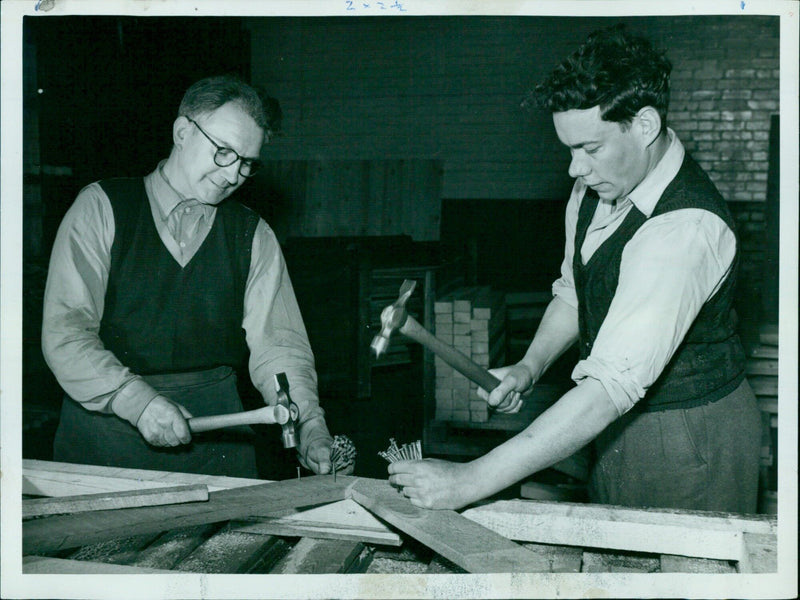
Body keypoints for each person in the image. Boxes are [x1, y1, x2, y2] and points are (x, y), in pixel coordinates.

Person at [388, 24, 761, 513]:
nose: (574, 169)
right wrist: (530, 364)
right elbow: (575, 290)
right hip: (612, 427)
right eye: (569, 148)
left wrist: (468, 481)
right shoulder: (599, 183)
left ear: (645, 126)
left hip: (689, 439)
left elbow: (608, 388)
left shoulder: (684, 228)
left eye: (590, 148)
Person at [42, 75, 339, 478]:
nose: (233, 174)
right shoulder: (101, 207)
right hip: (104, 446)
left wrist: (308, 423)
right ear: (182, 132)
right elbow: (65, 333)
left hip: (219, 450)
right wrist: (138, 402)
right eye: (223, 152)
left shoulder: (253, 234)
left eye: (247, 163)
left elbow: (280, 347)